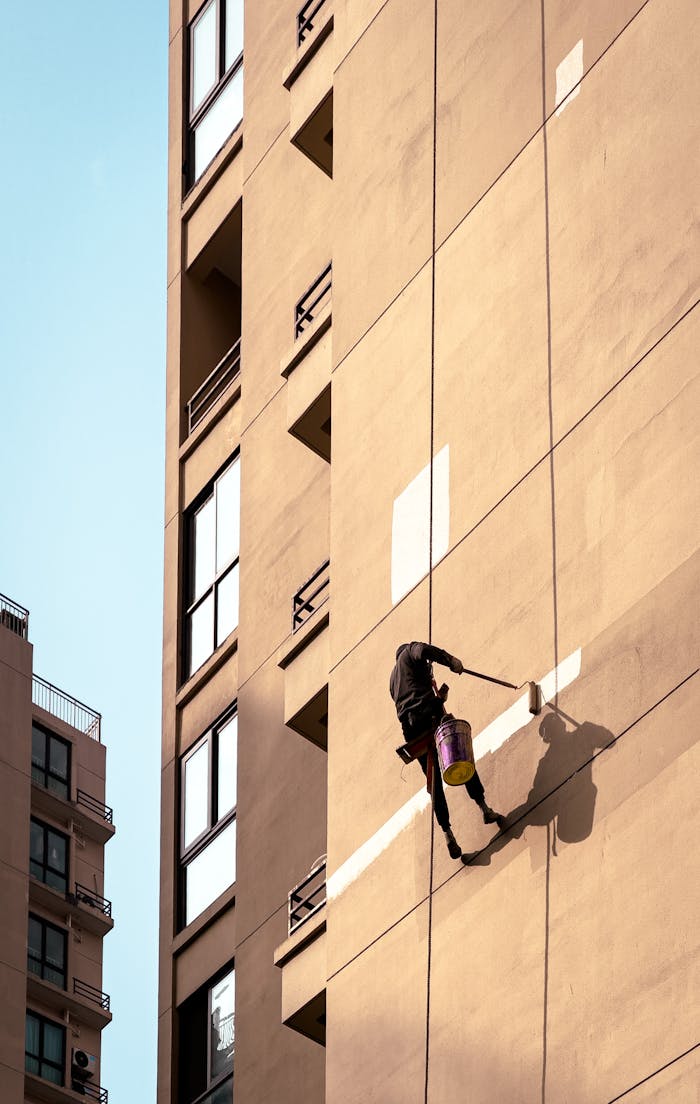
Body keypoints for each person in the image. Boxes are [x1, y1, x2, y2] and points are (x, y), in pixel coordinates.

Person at [390, 642, 505, 859]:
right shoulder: (409, 652)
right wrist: (451, 661)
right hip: (426, 713)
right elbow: (424, 651)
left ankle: (448, 834)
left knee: (434, 782)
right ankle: (484, 807)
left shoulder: (392, 681)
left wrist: (437, 698)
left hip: (411, 731)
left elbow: (409, 699)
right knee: (457, 747)